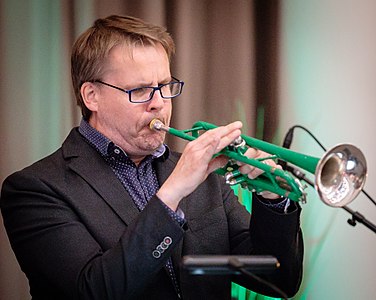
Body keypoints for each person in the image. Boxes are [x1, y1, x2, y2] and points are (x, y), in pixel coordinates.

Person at [0, 15, 303, 300]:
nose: (159, 104)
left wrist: (271, 199)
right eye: (141, 90)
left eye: (164, 86)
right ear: (91, 96)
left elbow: (278, 279)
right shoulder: (34, 189)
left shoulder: (203, 176)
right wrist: (173, 192)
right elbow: (93, 291)